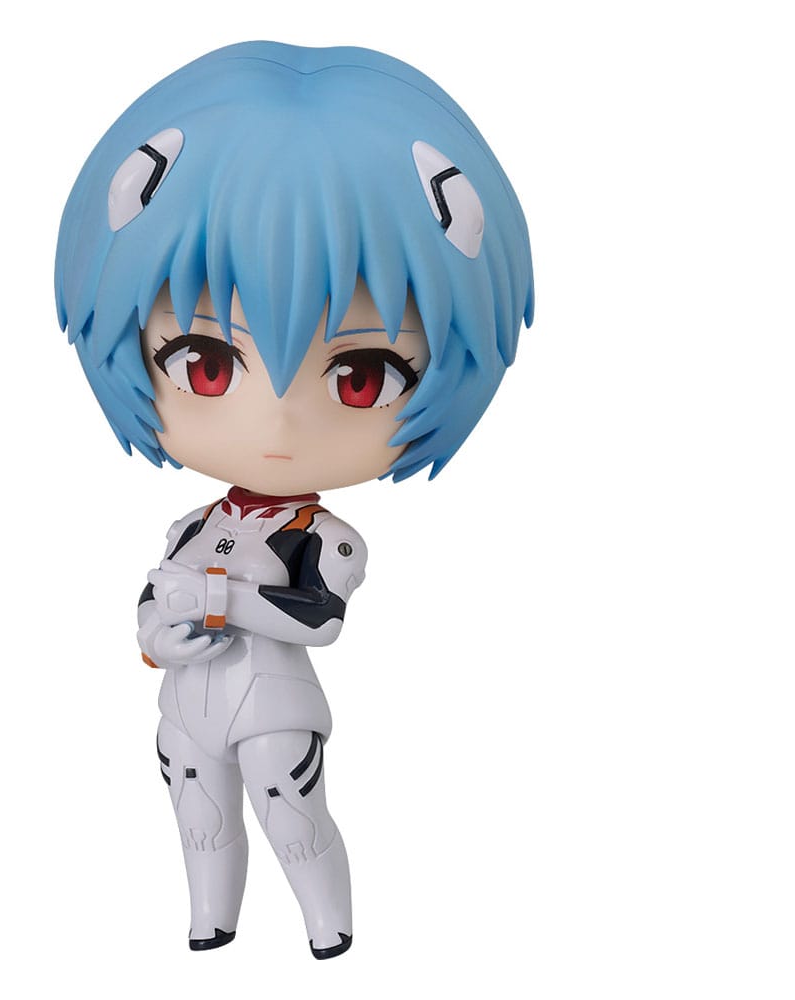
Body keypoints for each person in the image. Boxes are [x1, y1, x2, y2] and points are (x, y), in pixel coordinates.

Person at [54, 40, 534, 959]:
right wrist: (161, 635)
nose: (276, 420)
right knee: (195, 808)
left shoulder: (324, 537)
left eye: (360, 377)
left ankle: (329, 923)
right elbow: (150, 616)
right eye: (207, 363)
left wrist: (217, 601)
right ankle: (211, 921)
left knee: (290, 807)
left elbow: (320, 620)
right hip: (190, 704)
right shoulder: (191, 526)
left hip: (275, 705)